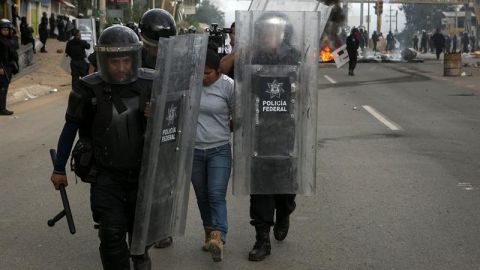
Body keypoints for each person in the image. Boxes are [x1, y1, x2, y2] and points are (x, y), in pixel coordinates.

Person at [50, 25, 154, 270]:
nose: (121, 68)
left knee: (140, 238)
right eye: (114, 62)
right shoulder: (87, 88)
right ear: (103, 60)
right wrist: (59, 168)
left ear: (135, 59)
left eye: (126, 61)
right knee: (111, 236)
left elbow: (174, 128)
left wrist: (158, 115)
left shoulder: (152, 83)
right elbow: (70, 128)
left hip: (144, 175)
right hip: (106, 176)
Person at [246, 12, 301, 262]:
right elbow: (237, 83)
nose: (270, 35)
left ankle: (285, 210)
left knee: (284, 182)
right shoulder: (252, 56)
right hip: (259, 129)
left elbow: (304, 91)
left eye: (274, 31)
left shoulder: (293, 56)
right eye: (265, 31)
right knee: (260, 185)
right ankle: (262, 238)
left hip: (285, 128)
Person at [138, 8, 177, 249]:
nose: (156, 50)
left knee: (164, 181)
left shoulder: (177, 58)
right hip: (137, 127)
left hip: (166, 129)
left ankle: (162, 228)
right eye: (152, 45)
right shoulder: (133, 56)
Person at [190, 49, 234, 262]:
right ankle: (209, 232)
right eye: (200, 72)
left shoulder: (228, 86)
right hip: (194, 151)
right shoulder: (190, 84)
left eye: (208, 73)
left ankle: (218, 236)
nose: (203, 77)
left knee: (216, 194)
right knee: (202, 196)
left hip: (219, 149)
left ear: (218, 71)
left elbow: (238, 116)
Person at [0, 19, 18, 115]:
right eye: (4, 30)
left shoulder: (9, 39)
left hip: (7, 67)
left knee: (4, 88)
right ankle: (2, 109)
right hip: (2, 68)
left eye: (7, 30)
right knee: (3, 88)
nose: (6, 32)